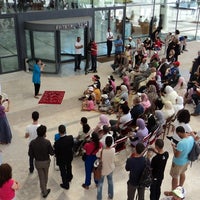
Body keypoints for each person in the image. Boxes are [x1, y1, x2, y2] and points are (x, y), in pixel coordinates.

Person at [28, 125, 54, 198]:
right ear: (44, 133)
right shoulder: (47, 142)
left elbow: (30, 154)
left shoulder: (32, 143)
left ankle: (44, 190)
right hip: (46, 162)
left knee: (41, 177)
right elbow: (52, 153)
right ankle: (44, 190)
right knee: (45, 176)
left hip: (38, 163)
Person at [167, 126, 194, 191]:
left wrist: (173, 147)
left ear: (179, 133)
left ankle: (174, 192)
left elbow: (176, 155)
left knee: (175, 177)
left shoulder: (181, 143)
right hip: (186, 160)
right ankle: (180, 186)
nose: (178, 136)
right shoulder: (191, 138)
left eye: (177, 134)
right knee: (182, 173)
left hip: (178, 163)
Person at [54, 125, 74, 190]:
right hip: (69, 156)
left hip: (61, 159)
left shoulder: (57, 143)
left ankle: (66, 184)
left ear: (59, 132)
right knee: (69, 166)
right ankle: (70, 177)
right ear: (65, 130)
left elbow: (56, 152)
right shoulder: (70, 137)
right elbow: (72, 145)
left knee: (63, 171)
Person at [96, 136, 115, 200]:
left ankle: (99, 198)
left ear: (105, 143)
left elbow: (97, 155)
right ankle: (111, 195)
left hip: (102, 170)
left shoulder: (101, 151)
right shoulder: (113, 150)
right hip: (110, 169)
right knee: (110, 182)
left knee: (100, 184)